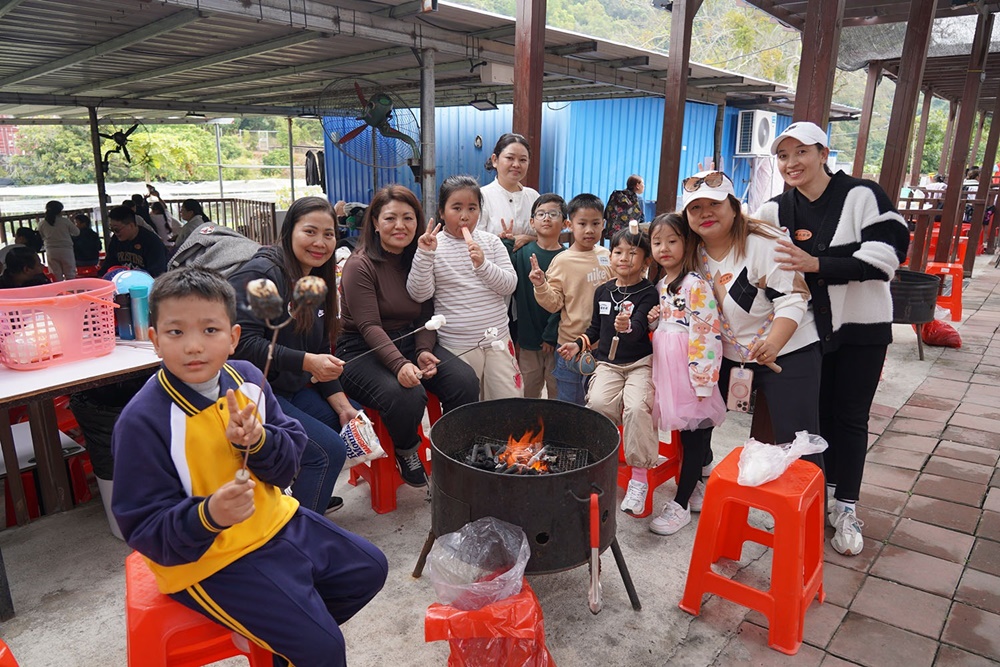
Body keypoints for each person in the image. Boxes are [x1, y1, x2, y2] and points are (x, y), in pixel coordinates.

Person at [111, 267, 387, 667]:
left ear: (233, 336)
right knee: (324, 649)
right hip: (206, 559)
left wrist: (259, 441)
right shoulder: (143, 421)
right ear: (154, 340)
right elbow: (141, 526)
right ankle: (294, 636)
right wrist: (209, 515)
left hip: (274, 520)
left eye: (210, 330)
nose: (193, 346)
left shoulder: (248, 379)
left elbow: (287, 467)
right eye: (175, 332)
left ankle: (277, 637)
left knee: (369, 569)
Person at [756, 121, 909, 556]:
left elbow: (886, 258)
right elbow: (756, 264)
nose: (791, 163)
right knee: (813, 421)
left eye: (801, 152)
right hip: (806, 334)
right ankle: (814, 498)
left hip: (862, 330)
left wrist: (816, 264)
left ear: (823, 154)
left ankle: (846, 507)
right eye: (783, 155)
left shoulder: (863, 195)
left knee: (851, 417)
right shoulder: (772, 211)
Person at [682, 170, 824, 489]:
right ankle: (693, 485)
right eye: (695, 207)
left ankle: (808, 506)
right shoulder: (689, 251)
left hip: (786, 351)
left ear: (734, 207)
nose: (705, 213)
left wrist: (774, 343)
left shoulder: (764, 243)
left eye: (715, 204)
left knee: (797, 437)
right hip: (722, 355)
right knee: (693, 420)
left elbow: (792, 297)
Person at [337, 185, 479, 486]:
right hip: (361, 350)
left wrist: (423, 350)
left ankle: (453, 449)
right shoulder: (359, 265)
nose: (400, 225)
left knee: (464, 380)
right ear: (375, 223)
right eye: (390, 218)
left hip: (412, 338)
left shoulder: (419, 258)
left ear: (418, 221)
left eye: (408, 218)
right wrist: (401, 364)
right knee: (406, 394)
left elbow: (426, 312)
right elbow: (369, 326)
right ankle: (407, 449)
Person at [229, 197, 353, 514]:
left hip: (286, 388)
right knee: (327, 451)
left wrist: (343, 405)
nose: (320, 242)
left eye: (328, 234)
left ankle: (307, 494)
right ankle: (301, 527)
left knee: (347, 422)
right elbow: (243, 344)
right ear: (289, 232)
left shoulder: (315, 279)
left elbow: (320, 348)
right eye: (310, 231)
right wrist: (306, 362)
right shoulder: (263, 276)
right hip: (250, 392)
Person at [561, 227, 659, 514]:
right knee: (597, 404)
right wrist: (578, 344)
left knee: (636, 408)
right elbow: (594, 329)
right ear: (610, 256)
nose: (624, 258)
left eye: (633, 253)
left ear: (646, 261)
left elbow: (639, 328)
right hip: (607, 364)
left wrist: (626, 326)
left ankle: (639, 478)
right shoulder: (603, 291)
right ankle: (600, 466)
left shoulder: (648, 292)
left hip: (639, 363)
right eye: (618, 252)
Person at [644, 213, 726, 535]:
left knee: (694, 436)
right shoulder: (661, 284)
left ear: (687, 243)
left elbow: (706, 333)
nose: (664, 248)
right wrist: (653, 320)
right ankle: (696, 483)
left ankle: (680, 505)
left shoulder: (696, 285)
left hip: (690, 371)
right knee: (689, 435)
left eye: (672, 241)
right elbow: (666, 325)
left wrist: (703, 380)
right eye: (657, 242)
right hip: (668, 369)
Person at [407, 176, 522, 400]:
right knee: (469, 407)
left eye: (472, 208)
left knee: (509, 401)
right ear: (442, 211)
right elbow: (419, 294)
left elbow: (509, 285)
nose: (465, 216)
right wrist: (424, 255)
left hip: (498, 339)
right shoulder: (433, 246)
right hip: (457, 344)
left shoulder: (491, 242)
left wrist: (483, 265)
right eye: (456, 208)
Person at [531, 194, 613, 405]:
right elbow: (554, 304)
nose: (589, 230)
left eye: (595, 223)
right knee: (571, 406)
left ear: (603, 224)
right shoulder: (562, 261)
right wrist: (540, 285)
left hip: (604, 346)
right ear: (569, 225)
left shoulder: (607, 256)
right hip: (571, 346)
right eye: (582, 224)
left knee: (599, 405)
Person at [499, 194, 565, 398]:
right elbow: (505, 273)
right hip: (528, 339)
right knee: (527, 393)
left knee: (557, 394)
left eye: (553, 214)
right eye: (541, 214)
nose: (547, 218)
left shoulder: (567, 258)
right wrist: (507, 242)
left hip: (558, 341)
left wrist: (551, 336)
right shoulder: (523, 253)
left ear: (565, 223)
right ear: (531, 222)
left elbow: (566, 301)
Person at [478, 133, 540, 250]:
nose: (516, 165)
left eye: (523, 160)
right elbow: (475, 239)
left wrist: (527, 238)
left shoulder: (534, 197)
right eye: (510, 158)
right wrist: (501, 241)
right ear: (495, 160)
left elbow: (548, 236)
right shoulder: (481, 197)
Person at [98, 206, 168, 277]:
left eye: (117, 230)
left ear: (131, 226)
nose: (115, 233)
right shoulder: (116, 240)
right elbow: (109, 263)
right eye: (111, 229)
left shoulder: (152, 242)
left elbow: (157, 273)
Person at [38, 200, 79, 280]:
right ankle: (71, 288)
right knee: (70, 274)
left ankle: (58, 288)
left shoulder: (42, 223)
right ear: (60, 211)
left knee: (55, 275)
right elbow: (76, 232)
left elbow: (42, 236)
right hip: (66, 250)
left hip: (51, 250)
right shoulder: (65, 221)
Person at [604, 175, 645, 240]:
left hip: (613, 234)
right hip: (629, 236)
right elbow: (642, 219)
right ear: (637, 185)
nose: (644, 186)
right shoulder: (638, 200)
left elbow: (606, 214)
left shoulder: (616, 196)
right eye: (642, 183)